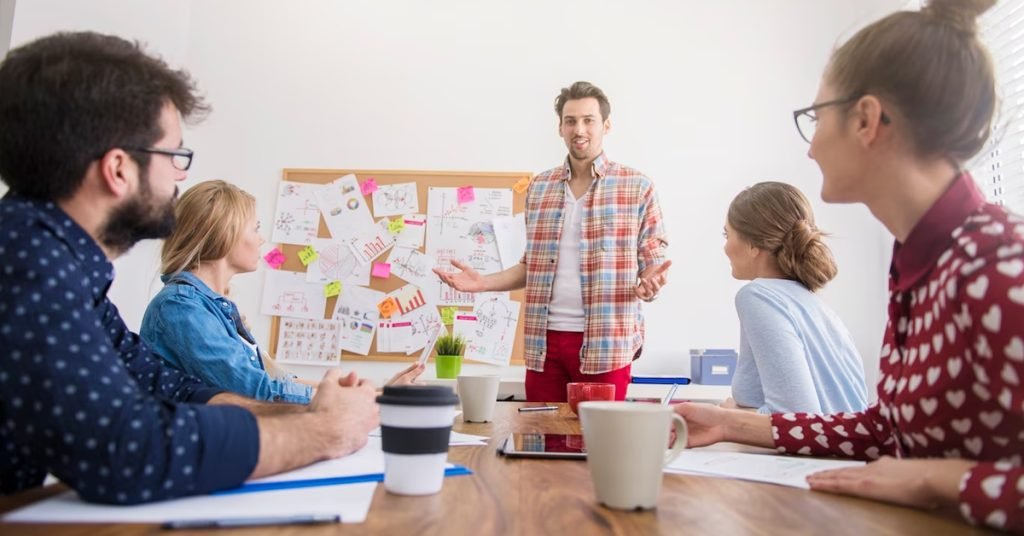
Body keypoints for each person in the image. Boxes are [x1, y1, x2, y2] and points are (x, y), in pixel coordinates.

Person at [675, 0, 1023, 532]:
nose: (811, 147)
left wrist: (934, 480)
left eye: (815, 118)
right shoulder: (920, 265)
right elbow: (888, 431)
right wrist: (728, 423)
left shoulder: (997, 264)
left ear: (865, 119)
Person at [0, 32, 379, 505]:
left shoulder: (60, 262)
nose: (181, 176)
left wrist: (308, 414)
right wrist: (322, 430)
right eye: (176, 155)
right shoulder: (25, 261)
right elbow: (126, 450)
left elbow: (162, 382)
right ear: (118, 169)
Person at [434, 81, 670, 402]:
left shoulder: (637, 186)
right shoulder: (540, 188)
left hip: (606, 343)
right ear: (560, 127)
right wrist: (482, 283)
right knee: (540, 441)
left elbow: (654, 261)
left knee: (599, 445)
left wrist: (650, 283)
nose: (579, 129)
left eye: (589, 120)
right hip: (544, 345)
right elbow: (534, 267)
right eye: (571, 120)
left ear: (606, 125)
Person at [139, 180, 423, 404]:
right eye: (256, 228)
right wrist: (368, 400)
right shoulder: (180, 308)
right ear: (225, 233)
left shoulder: (213, 308)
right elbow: (259, 391)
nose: (262, 239)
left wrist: (381, 394)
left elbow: (277, 381)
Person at [723, 181, 867, 414]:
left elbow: (796, 416)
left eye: (727, 234)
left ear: (752, 245)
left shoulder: (758, 296)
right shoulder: (815, 304)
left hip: (817, 449)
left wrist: (731, 415)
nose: (725, 247)